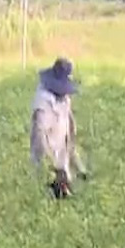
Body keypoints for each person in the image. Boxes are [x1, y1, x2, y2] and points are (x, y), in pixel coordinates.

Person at [31, 57, 88, 199]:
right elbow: (39, 137)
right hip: (47, 169)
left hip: (62, 164)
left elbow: (69, 138)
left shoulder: (65, 99)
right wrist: (52, 169)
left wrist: (79, 167)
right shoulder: (43, 103)